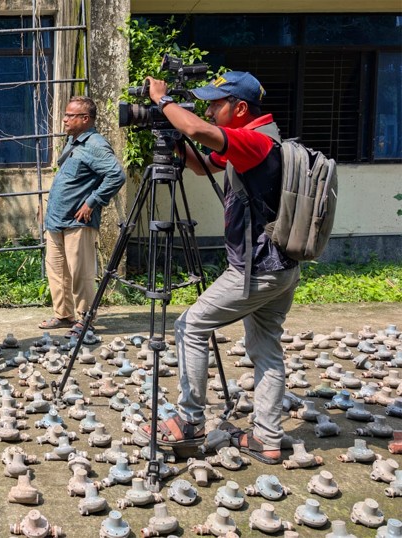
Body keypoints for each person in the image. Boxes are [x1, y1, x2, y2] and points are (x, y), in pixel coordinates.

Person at [143, 71, 300, 464]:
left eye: (217, 103)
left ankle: (189, 421)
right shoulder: (262, 139)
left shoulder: (254, 141)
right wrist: (176, 142)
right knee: (265, 350)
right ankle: (266, 438)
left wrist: (164, 102)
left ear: (241, 108)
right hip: (280, 266)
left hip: (256, 269)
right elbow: (202, 165)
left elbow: (197, 127)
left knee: (190, 325)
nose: (210, 110)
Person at [39, 96, 126, 338]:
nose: (64, 119)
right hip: (57, 219)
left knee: (80, 272)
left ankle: (85, 319)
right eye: (65, 114)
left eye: (70, 115)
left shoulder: (95, 144)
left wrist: (92, 202)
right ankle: (63, 314)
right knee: (57, 271)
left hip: (78, 221)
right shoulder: (73, 141)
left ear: (85, 119)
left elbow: (116, 176)